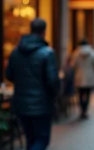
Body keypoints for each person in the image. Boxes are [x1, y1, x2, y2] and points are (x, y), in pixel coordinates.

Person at [6, 18, 60, 150]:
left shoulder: (16, 52)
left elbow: (9, 75)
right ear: (44, 32)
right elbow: (52, 80)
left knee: (31, 140)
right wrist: (55, 95)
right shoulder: (47, 53)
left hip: (21, 103)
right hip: (41, 104)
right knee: (41, 140)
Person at [71, 39, 94, 119]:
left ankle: (82, 110)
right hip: (90, 76)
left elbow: (73, 65)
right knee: (88, 94)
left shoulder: (76, 53)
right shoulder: (93, 53)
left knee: (80, 94)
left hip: (79, 76)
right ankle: (85, 110)